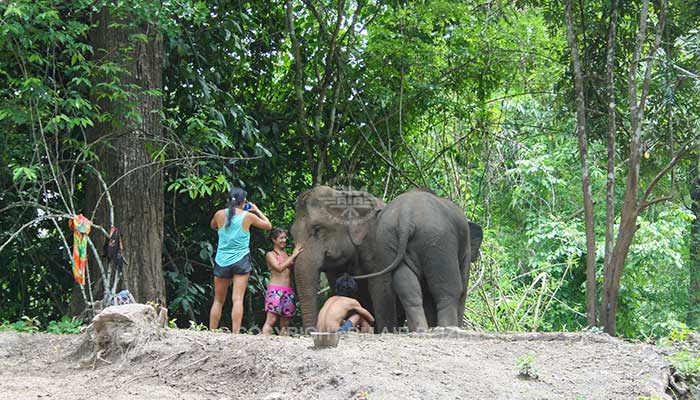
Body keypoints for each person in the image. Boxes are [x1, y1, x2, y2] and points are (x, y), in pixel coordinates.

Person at [210, 187, 271, 333]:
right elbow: (268, 225)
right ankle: (235, 333)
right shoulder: (247, 216)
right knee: (237, 299)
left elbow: (212, 225)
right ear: (244, 202)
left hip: (222, 260)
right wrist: (256, 210)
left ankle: (211, 332)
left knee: (218, 300)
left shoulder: (219, 214)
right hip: (241, 260)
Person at [262, 227, 304, 335]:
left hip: (288, 291)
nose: (284, 240)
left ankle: (283, 347)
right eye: (281, 238)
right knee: (271, 320)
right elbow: (279, 268)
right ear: (273, 240)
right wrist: (294, 255)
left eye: (285, 238)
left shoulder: (286, 255)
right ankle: (263, 343)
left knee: (286, 323)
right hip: (275, 290)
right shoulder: (270, 254)